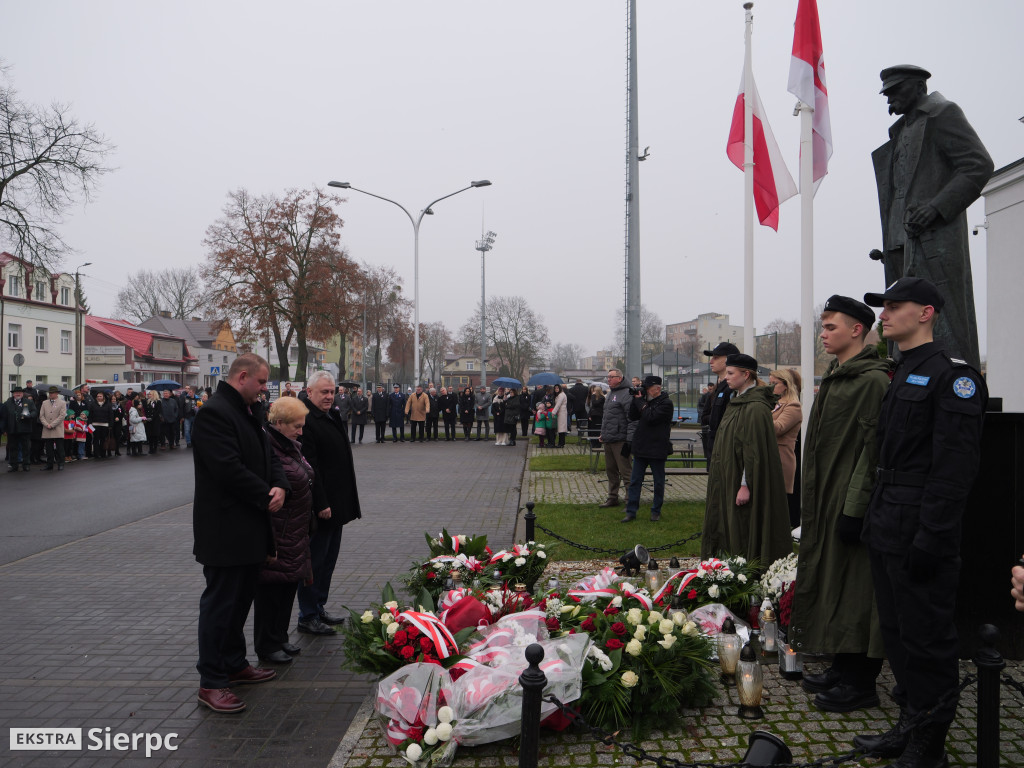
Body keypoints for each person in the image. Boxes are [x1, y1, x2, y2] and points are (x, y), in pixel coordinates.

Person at [854, 277, 986, 765]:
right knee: (897, 633)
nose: (883, 315)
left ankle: (929, 744)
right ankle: (909, 723)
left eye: (893, 306)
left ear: (926, 313)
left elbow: (955, 469)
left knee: (927, 638)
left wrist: (932, 536)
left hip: (920, 527)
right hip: (888, 520)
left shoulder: (954, 377)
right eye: (882, 307)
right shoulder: (903, 370)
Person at [787, 296, 891, 715]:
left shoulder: (872, 381)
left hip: (850, 503)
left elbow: (872, 452)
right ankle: (842, 667)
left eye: (831, 327)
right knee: (836, 582)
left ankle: (862, 683)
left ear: (856, 331)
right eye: (822, 326)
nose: (823, 334)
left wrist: (854, 508)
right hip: (827, 499)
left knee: (858, 589)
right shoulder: (840, 374)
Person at [871, 65, 994, 371]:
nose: (890, 102)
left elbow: (978, 165)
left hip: (933, 237)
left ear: (918, 87)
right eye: (887, 95)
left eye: (895, 92)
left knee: (942, 313)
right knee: (900, 314)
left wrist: (937, 207)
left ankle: (953, 377)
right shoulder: (901, 131)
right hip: (900, 239)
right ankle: (905, 374)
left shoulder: (942, 114)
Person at [192, 353, 288, 713]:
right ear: (243, 376)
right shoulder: (215, 413)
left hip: (250, 527)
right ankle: (212, 681)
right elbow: (226, 469)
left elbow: (271, 457)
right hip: (225, 530)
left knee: (240, 602)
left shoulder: (250, 411)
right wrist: (266, 495)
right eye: (262, 382)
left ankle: (234, 664)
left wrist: (280, 486)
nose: (265, 389)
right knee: (220, 605)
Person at [700, 354, 791, 565]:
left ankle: (744, 570)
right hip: (728, 477)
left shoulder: (755, 407)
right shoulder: (739, 402)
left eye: (731, 373)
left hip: (742, 482)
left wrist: (745, 485)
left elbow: (754, 452)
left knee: (743, 526)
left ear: (746, 374)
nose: (726, 378)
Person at [297, 371, 362, 635]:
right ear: (309, 392)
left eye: (332, 391)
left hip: (337, 504)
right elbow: (310, 467)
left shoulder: (331, 414)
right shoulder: (306, 420)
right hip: (321, 507)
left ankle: (319, 606)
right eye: (324, 392)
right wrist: (320, 503)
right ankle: (307, 614)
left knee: (328, 560)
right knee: (315, 561)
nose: (329, 396)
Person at [254, 396, 314, 664]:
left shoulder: (289, 446)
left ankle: (279, 637)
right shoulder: (269, 447)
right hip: (280, 530)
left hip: (295, 529)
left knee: (287, 587)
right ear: (278, 423)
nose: (301, 431)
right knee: (271, 592)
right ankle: (267, 644)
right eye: (296, 426)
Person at [620, 375, 674, 523]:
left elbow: (651, 417)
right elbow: (632, 416)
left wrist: (641, 402)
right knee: (635, 480)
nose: (646, 391)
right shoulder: (644, 401)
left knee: (658, 481)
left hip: (657, 448)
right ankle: (631, 511)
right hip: (641, 447)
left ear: (657, 389)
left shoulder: (666, 403)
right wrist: (635, 400)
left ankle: (656, 511)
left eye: (648, 388)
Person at [768, 368, 803, 529]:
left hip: (781, 459)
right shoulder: (775, 404)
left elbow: (779, 428)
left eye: (774, 383)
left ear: (786, 385)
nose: (771, 387)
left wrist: (759, 412)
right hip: (770, 456)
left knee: (780, 502)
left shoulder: (793, 406)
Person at [598, 370, 634, 508]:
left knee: (626, 472)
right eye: (608, 377)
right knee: (611, 470)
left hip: (621, 440)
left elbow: (631, 419)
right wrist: (603, 432)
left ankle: (630, 500)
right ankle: (612, 497)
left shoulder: (626, 394)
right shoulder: (611, 393)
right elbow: (607, 417)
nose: (608, 379)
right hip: (609, 438)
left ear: (619, 378)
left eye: (611, 377)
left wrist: (629, 439)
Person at [698, 342, 739, 464]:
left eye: (716, 358)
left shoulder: (733, 389)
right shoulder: (717, 389)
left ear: (728, 359)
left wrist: (715, 418)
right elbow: (704, 416)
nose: (711, 362)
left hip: (726, 449)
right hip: (715, 447)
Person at [3, 386, 37, 471]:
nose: (18, 394)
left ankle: (26, 465)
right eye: (16, 392)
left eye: (20, 392)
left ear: (22, 394)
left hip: (25, 429)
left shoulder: (29, 402)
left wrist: (29, 415)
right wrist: (4, 429)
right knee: (13, 448)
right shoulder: (7, 403)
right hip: (12, 429)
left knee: (26, 448)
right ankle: (14, 465)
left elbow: (35, 411)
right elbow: (4, 417)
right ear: (13, 394)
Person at [38, 386, 66, 471]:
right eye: (49, 393)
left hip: (57, 428)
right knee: (49, 448)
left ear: (57, 393)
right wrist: (46, 424)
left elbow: (62, 416)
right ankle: (49, 464)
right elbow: (41, 416)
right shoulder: (44, 403)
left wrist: (52, 424)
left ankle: (61, 463)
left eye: (52, 393)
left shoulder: (62, 403)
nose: (50, 394)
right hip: (47, 428)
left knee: (59, 447)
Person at [91, 390, 113, 460]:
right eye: (98, 396)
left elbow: (111, 415)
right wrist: (90, 424)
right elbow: (90, 415)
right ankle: (96, 454)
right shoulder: (93, 404)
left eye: (100, 396)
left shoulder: (108, 404)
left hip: (105, 425)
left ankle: (103, 453)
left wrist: (110, 425)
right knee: (96, 440)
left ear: (103, 397)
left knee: (103, 440)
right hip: (95, 424)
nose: (99, 397)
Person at [586, 384, 605, 449]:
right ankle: (593, 443)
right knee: (593, 430)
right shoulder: (596, 398)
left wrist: (593, 396)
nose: (593, 393)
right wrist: (589, 415)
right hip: (593, 415)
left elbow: (595, 403)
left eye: (595, 391)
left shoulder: (602, 398)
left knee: (597, 430)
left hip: (598, 416)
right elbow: (591, 408)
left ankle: (597, 444)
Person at [550, 383, 568, 448]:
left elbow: (558, 404)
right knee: (561, 428)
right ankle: (561, 443)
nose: (556, 389)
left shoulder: (561, 395)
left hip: (562, 412)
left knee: (561, 428)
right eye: (555, 388)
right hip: (560, 412)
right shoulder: (560, 395)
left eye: (557, 388)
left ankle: (561, 443)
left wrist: (553, 412)